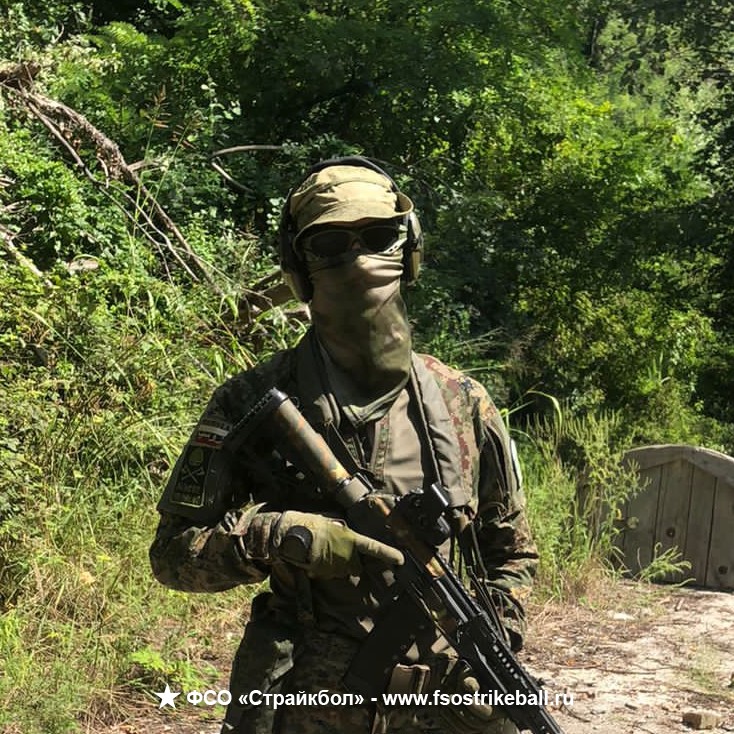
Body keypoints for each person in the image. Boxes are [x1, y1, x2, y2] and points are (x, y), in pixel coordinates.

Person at [149, 156, 539, 734]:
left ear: (409, 251)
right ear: (299, 268)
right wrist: (273, 537)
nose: (358, 259)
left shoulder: (463, 402)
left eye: (378, 237)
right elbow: (172, 557)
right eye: (330, 244)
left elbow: (512, 554)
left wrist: (491, 639)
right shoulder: (253, 402)